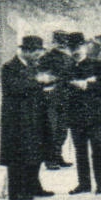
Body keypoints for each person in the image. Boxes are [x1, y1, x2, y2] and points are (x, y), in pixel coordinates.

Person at [0, 35, 57, 200]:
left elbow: (34, 87)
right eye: (36, 54)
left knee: (35, 152)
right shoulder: (10, 67)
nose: (38, 57)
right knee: (18, 155)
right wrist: (39, 83)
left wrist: (45, 87)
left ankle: (34, 186)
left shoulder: (32, 67)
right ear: (26, 51)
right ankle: (17, 192)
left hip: (34, 116)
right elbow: (16, 87)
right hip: (17, 119)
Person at [64, 39, 101, 194]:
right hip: (76, 116)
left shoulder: (97, 65)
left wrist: (86, 84)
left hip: (97, 115)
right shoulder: (67, 67)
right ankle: (84, 184)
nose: (76, 50)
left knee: (99, 148)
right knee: (80, 151)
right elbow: (62, 89)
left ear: (84, 47)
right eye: (72, 47)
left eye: (78, 46)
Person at [39, 31, 76, 169]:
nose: (61, 45)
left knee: (62, 129)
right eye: (59, 42)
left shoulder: (68, 59)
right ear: (54, 42)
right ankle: (50, 159)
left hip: (65, 97)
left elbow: (72, 77)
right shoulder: (45, 58)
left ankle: (57, 155)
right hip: (50, 98)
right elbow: (40, 77)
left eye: (63, 42)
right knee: (51, 128)